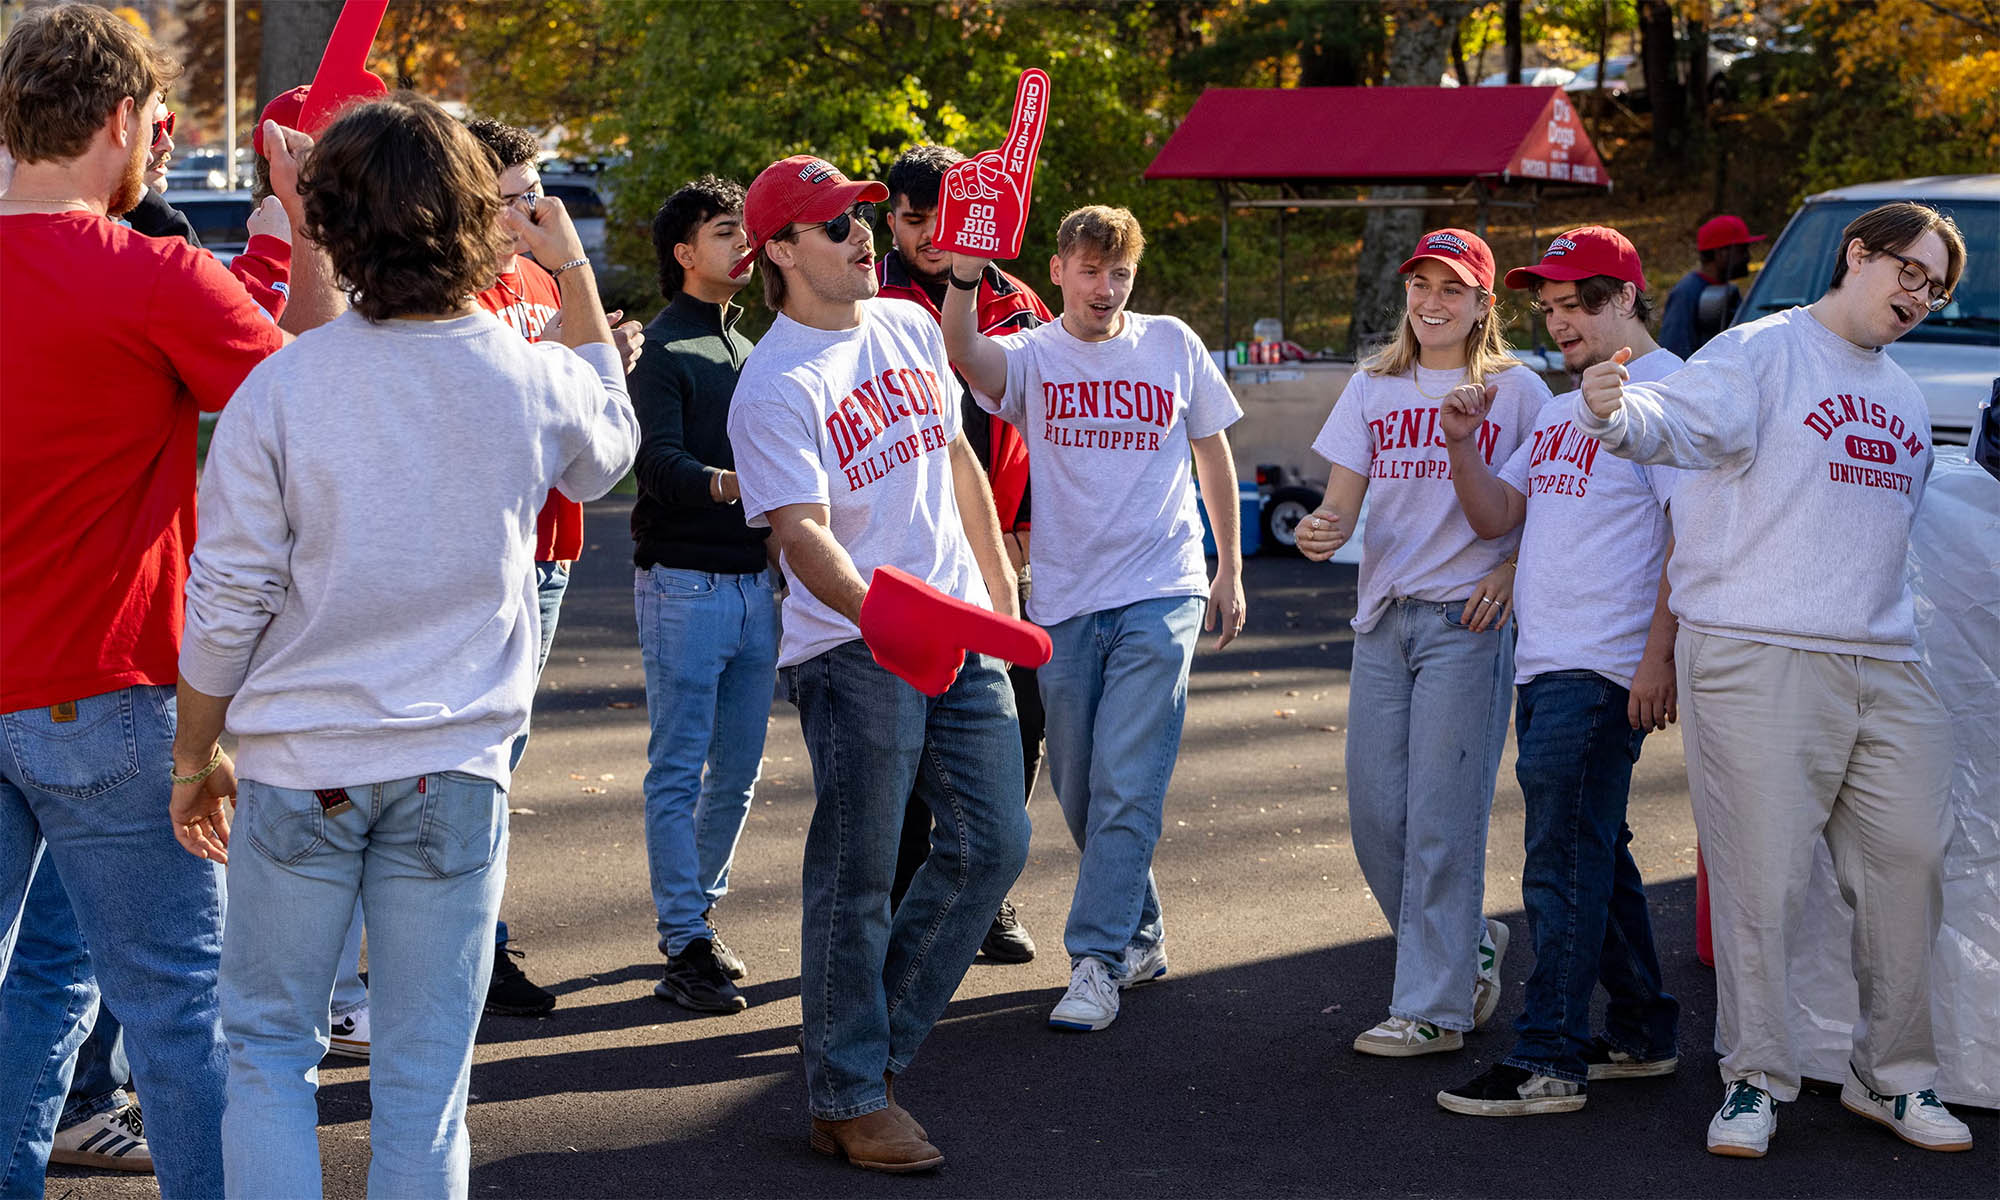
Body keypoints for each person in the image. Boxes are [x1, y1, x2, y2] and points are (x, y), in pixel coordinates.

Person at [171, 92, 636, 1198]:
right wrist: (569, 272)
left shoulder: (283, 388)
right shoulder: (531, 380)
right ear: (476, 217)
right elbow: (606, 453)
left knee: (268, 1061)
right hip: (455, 768)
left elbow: (228, 593)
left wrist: (196, 755)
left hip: (298, 767)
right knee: (426, 1086)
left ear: (331, 223)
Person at [0, 7, 334, 1196]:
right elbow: (322, 408)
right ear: (119, 125)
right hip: (109, 695)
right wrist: (307, 227)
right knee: (182, 1016)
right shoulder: (154, 276)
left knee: (45, 982)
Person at [1573, 201, 1975, 1158]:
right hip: (1756, 651)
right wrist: (1614, 409)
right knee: (1762, 881)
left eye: (1937, 289)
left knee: (1909, 862)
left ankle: (1895, 1079)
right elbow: (1676, 420)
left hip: (1883, 660)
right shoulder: (1761, 352)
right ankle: (1754, 1081)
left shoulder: (1908, 399)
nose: (1919, 297)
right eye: (1910, 273)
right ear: (1860, 255)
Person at [725, 153, 1030, 1172]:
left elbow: (955, 460)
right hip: (854, 649)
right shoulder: (774, 382)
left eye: (860, 217)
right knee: (855, 876)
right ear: (777, 250)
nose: (861, 236)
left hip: (958, 632)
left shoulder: (904, 323)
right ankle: (851, 1092)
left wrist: (996, 602)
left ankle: (857, 1062)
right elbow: (798, 538)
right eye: (833, 226)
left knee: (993, 844)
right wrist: (882, 620)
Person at [940, 204, 1246, 1032]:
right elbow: (962, 352)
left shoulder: (1172, 343)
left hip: (1164, 586)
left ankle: (1096, 960)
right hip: (1066, 598)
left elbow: (1210, 447)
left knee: (1127, 780)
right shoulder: (1036, 355)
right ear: (1059, 271)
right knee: (1078, 787)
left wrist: (1230, 564)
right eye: (1089, 271)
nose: (1105, 288)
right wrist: (965, 274)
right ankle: (1140, 932)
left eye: (1119, 273)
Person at [1426, 226, 1684, 1116]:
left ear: (1626, 299)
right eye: (1549, 307)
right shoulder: (1566, 405)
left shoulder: (1671, 394)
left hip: (1602, 667)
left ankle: (1548, 1060)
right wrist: (1461, 444)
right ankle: (1644, 1031)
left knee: (1560, 862)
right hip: (1546, 661)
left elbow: (1688, 544)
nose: (1560, 321)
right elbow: (1505, 516)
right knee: (1594, 854)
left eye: (1578, 304)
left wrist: (1658, 660)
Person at [1292, 228, 1552, 1057]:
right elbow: (1338, 505)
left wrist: (1510, 572)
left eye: (1452, 288)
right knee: (1377, 821)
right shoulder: (1373, 386)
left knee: (1443, 822)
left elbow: (1554, 506)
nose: (1432, 302)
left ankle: (1433, 1010)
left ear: (1483, 305)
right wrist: (1319, 530)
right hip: (1383, 621)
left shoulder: (1519, 391)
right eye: (1420, 286)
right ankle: (1469, 942)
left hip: (1464, 626)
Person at [877, 142, 1048, 964]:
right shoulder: (864, 297)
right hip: (906, 553)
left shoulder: (1019, 300)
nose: (935, 239)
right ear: (891, 220)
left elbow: (1049, 419)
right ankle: (907, 893)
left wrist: (1032, 523)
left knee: (1018, 720)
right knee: (904, 730)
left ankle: (987, 893)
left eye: (948, 221)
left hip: (1006, 547)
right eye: (916, 223)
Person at [628, 174, 779, 1014]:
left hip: (758, 588)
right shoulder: (663, 348)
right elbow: (653, 463)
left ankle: (699, 918)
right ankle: (684, 940)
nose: (743, 245)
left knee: (741, 774)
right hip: (682, 584)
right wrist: (736, 485)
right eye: (727, 232)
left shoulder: (752, 346)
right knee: (679, 770)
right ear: (685, 253)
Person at [1658, 214, 1763, 360]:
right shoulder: (1686, 293)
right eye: (1742, 250)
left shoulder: (1729, 291)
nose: (1748, 257)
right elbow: (1673, 354)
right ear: (1720, 253)